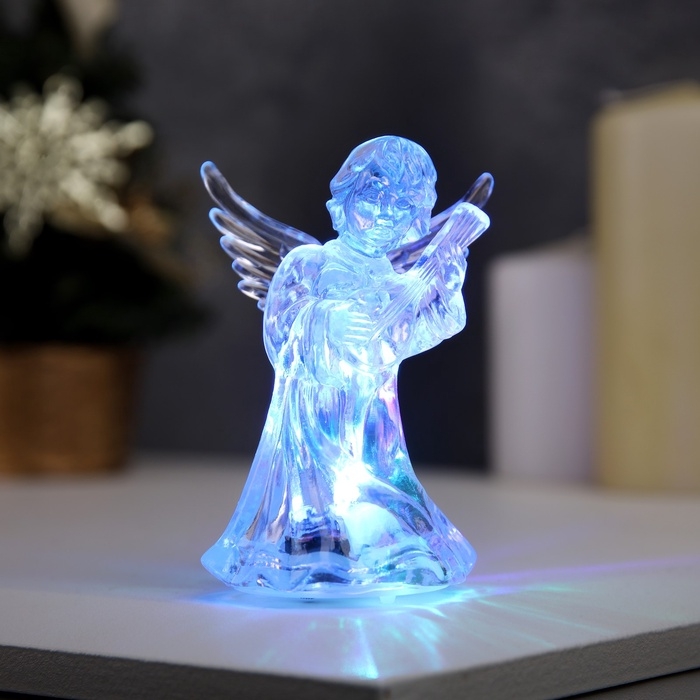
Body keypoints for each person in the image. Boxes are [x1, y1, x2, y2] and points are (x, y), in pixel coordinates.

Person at [202, 136, 485, 598]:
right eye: (374, 198)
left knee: (388, 497)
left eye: (401, 207)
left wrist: (448, 292)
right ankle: (308, 555)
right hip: (313, 421)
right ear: (343, 200)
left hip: (372, 423)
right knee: (313, 504)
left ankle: (392, 555)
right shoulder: (309, 263)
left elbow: (415, 335)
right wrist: (327, 321)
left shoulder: (394, 280)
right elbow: (280, 330)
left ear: (413, 223)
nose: (384, 214)